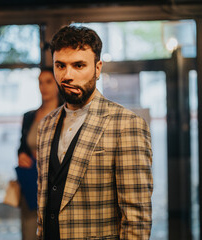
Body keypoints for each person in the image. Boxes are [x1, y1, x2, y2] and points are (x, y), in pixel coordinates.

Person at [36, 25, 153, 239]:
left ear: (98, 68)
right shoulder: (45, 125)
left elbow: (137, 219)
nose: (67, 75)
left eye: (78, 65)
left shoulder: (126, 125)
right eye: (60, 65)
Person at [17, 67, 62, 240]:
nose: (44, 87)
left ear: (58, 84)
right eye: (40, 82)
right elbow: (22, 146)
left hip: (56, 183)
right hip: (32, 182)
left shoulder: (67, 115)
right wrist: (22, 155)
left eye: (49, 82)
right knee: (29, 232)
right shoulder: (29, 116)